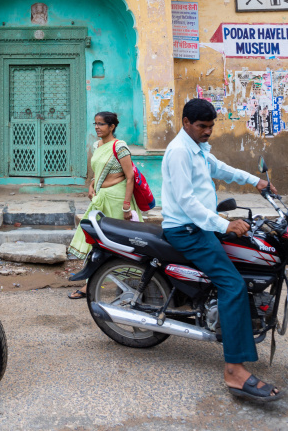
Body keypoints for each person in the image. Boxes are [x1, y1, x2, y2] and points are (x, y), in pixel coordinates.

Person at [162, 98, 283, 403]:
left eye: (211, 126)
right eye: (202, 126)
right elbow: (187, 202)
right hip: (187, 230)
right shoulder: (178, 152)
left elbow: (221, 168)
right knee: (232, 285)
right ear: (186, 122)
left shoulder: (198, 148)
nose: (208, 131)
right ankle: (234, 371)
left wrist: (255, 180)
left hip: (202, 225)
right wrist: (224, 224)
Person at [67, 111, 143, 299]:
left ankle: (141, 281)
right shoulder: (97, 145)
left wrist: (126, 206)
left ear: (112, 127)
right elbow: (97, 171)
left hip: (117, 200)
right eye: (95, 123)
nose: (97, 127)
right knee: (95, 240)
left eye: (101, 124)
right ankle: (90, 283)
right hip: (101, 199)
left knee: (119, 243)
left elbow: (130, 177)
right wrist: (92, 184)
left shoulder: (120, 147)